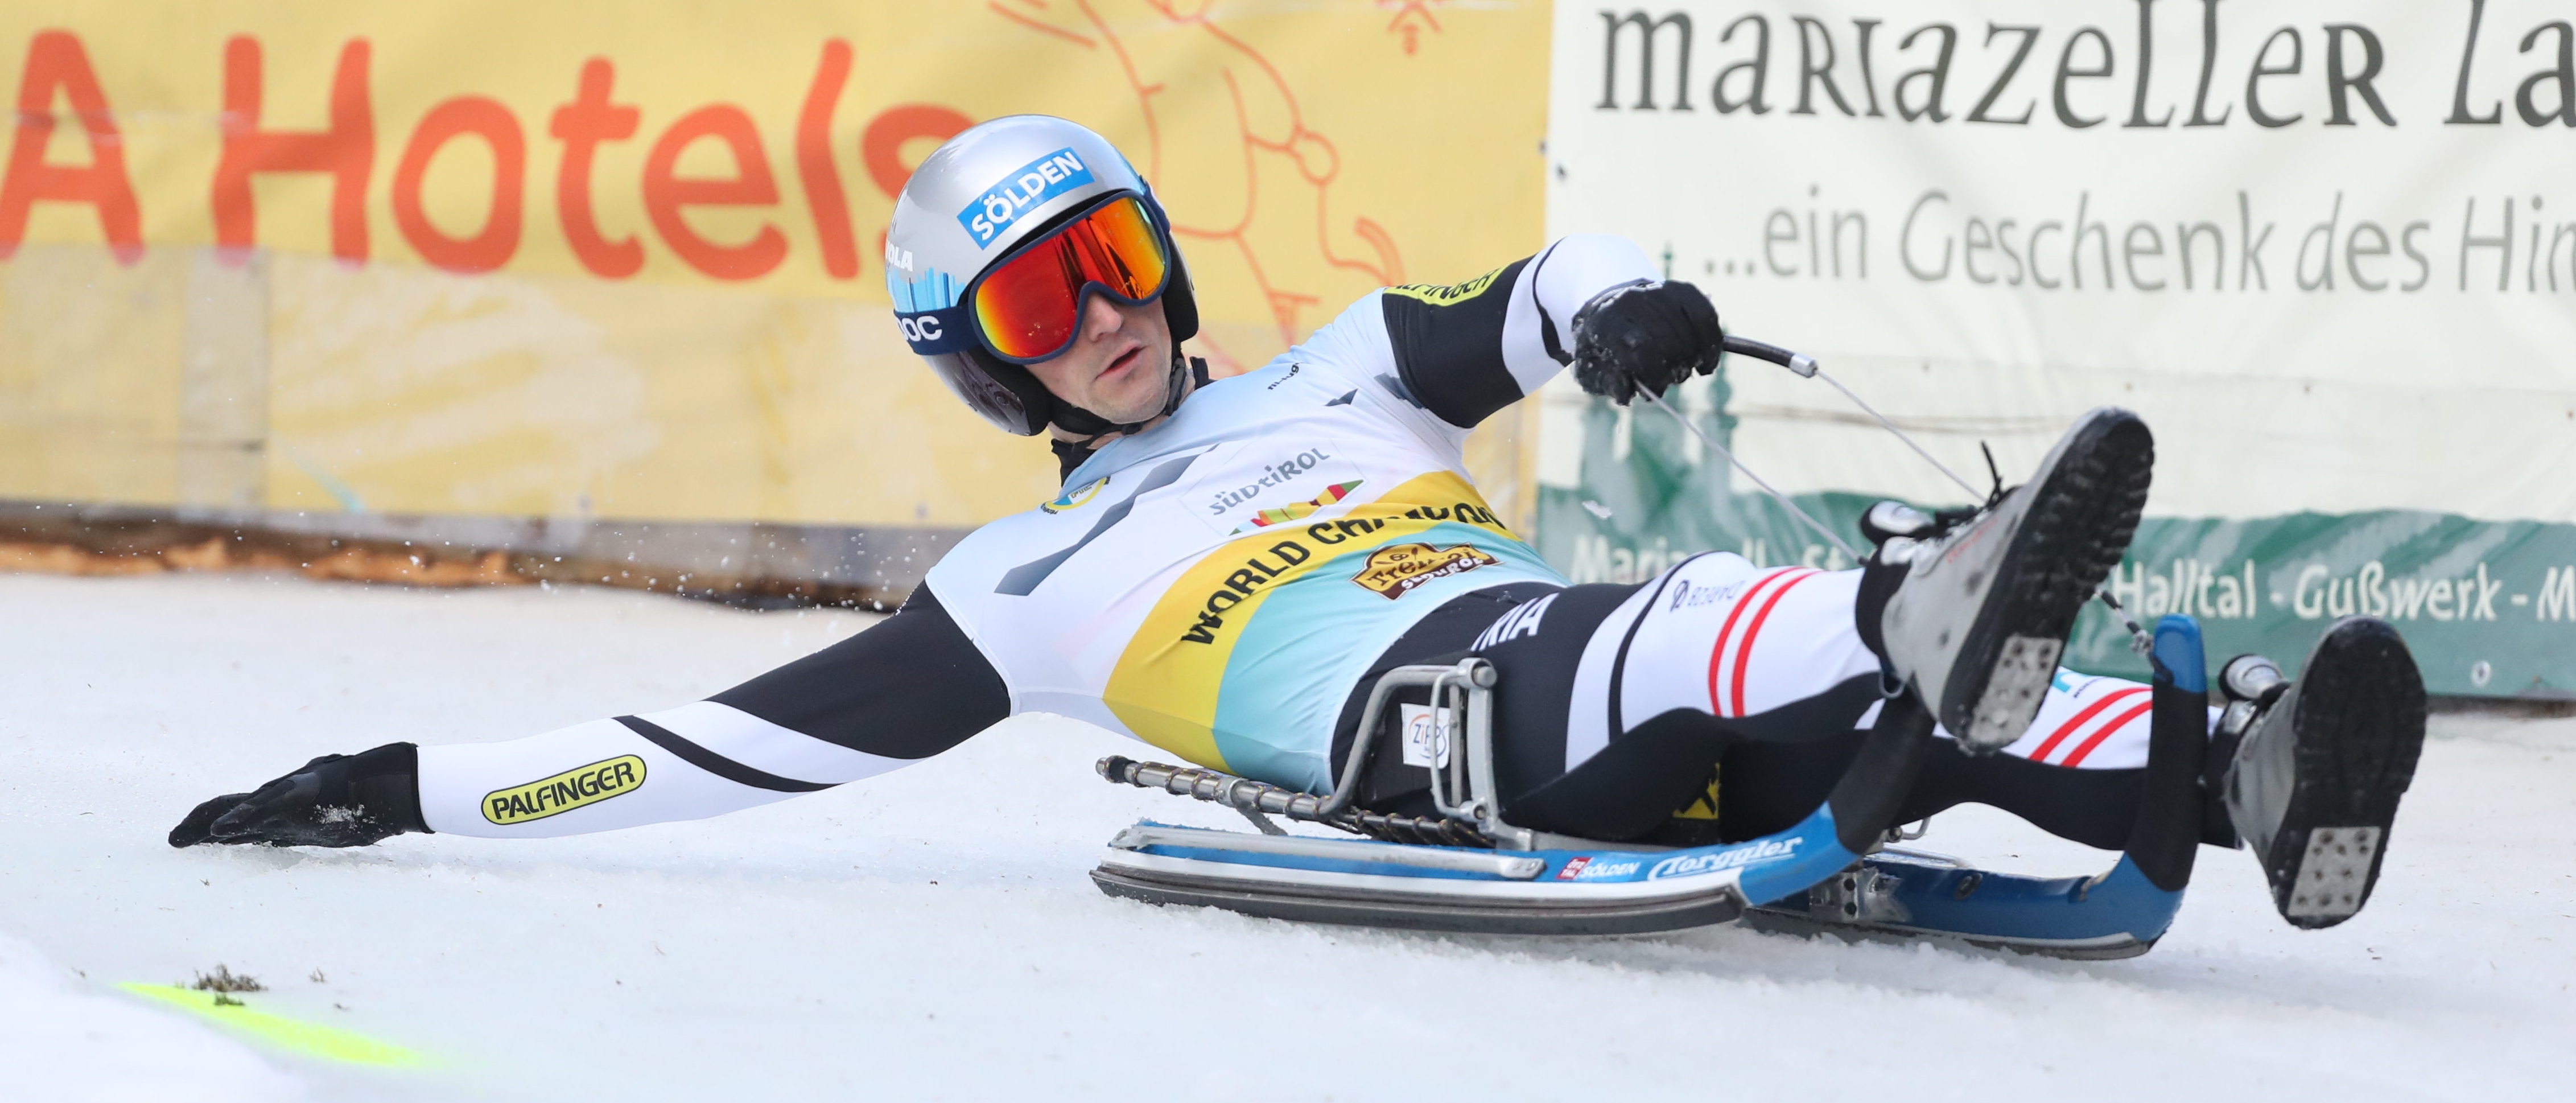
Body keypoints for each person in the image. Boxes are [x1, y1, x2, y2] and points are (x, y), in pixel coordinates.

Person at [172, 116, 2427, 931]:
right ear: (981, 357)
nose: (1119, 317)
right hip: (1428, 733)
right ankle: (1909, 602)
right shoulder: (1015, 592)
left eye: (1127, 255)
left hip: (1586, 671)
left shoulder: (1333, 367)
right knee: (1696, 623)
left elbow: (1518, 301)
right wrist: (412, 784)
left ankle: (2219, 767)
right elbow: (722, 745)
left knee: (1833, 692)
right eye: (1051, 300)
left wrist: (1620, 311)